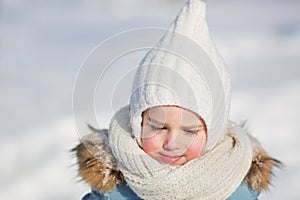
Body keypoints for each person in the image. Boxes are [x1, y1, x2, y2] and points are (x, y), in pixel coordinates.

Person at [73, 0, 280, 199]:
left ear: (214, 132)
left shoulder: (238, 188)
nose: (172, 143)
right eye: (158, 127)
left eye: (189, 131)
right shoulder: (113, 188)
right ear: (138, 123)